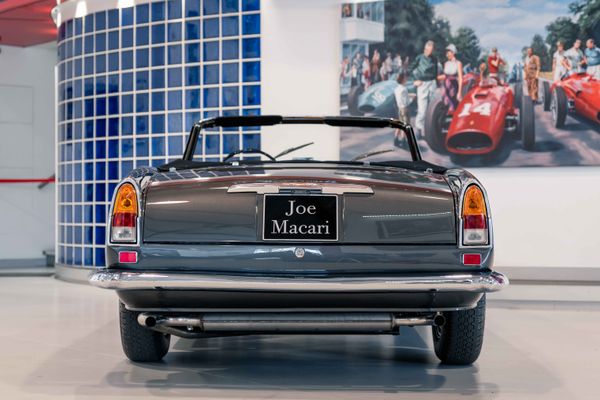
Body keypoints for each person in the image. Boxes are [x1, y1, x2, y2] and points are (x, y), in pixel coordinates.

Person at [410, 40, 438, 137]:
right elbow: (410, 69)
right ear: (425, 49)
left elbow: (436, 72)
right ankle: (419, 129)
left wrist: (435, 82)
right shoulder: (419, 58)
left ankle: (430, 129)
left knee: (432, 108)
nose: (430, 52)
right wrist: (414, 80)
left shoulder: (434, 59)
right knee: (422, 109)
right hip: (422, 84)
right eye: (428, 50)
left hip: (432, 83)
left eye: (432, 50)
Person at [437, 44, 463, 112]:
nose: (447, 55)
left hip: (453, 86)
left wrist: (459, 92)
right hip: (446, 86)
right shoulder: (446, 64)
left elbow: (460, 78)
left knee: (454, 105)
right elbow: (445, 76)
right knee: (445, 104)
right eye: (446, 53)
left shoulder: (458, 63)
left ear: (453, 53)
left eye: (448, 53)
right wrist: (436, 78)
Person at [393, 72, 410, 148]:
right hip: (405, 108)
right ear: (402, 79)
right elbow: (406, 101)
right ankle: (403, 141)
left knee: (399, 124)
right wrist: (411, 99)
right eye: (405, 78)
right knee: (405, 125)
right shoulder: (404, 89)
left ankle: (396, 139)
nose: (406, 79)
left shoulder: (396, 89)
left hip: (399, 108)